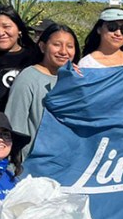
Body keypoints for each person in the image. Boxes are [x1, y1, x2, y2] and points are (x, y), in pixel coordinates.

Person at [4, 23, 80, 160]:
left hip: (68, 163)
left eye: (69, 46)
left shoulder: (76, 78)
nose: (63, 51)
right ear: (42, 46)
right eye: (56, 45)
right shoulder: (28, 78)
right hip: (34, 164)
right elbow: (15, 124)